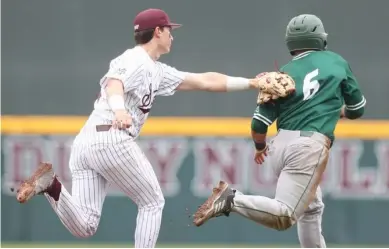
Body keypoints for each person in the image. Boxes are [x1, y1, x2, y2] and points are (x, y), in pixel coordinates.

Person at [15, 8, 273, 248]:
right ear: (157, 31)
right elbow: (114, 83)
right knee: (152, 202)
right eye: (169, 29)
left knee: (86, 225)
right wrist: (119, 110)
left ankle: (51, 185)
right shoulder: (136, 59)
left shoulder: (155, 70)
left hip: (86, 142)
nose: (172, 34)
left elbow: (205, 80)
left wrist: (251, 83)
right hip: (111, 138)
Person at [192, 14, 366, 248]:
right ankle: (232, 200)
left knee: (311, 209)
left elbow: (258, 124)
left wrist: (260, 146)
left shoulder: (281, 74)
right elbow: (357, 108)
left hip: (279, 146)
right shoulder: (336, 62)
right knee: (285, 216)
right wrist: (340, 112)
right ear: (321, 39)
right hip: (308, 147)